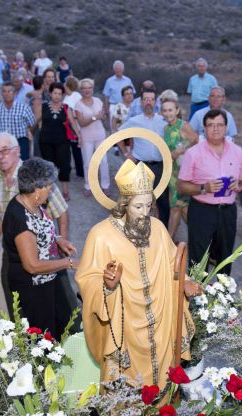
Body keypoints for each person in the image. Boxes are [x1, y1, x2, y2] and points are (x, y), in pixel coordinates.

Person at [76, 158, 200, 391]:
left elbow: (174, 262)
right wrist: (107, 286)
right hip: (124, 326)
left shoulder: (159, 229)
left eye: (148, 206)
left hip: (160, 323)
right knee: (127, 393)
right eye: (137, 207)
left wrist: (186, 282)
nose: (145, 214)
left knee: (162, 383)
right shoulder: (101, 235)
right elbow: (86, 278)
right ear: (123, 204)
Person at [0, 133, 70, 319]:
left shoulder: (36, 176)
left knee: (62, 309)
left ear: (17, 150)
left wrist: (61, 239)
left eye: (5, 150)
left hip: (46, 253)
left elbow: (61, 211)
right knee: (19, 310)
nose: (1, 156)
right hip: (15, 256)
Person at [2, 158, 78, 334]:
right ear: (36, 190)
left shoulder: (32, 203)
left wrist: (58, 238)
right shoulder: (20, 219)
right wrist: (70, 263)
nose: (51, 190)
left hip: (48, 278)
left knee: (64, 324)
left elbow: (40, 228)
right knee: (44, 338)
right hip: (33, 289)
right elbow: (32, 265)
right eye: (49, 186)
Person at [177, 109, 242, 275]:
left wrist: (239, 185)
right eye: (210, 125)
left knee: (225, 256)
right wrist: (203, 188)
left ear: (226, 127)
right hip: (202, 211)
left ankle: (222, 296)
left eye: (219, 125)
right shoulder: (193, 153)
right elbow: (181, 185)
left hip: (228, 211)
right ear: (204, 128)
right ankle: (196, 299)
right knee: (198, 257)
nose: (215, 129)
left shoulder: (237, 151)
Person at [119, 88, 170, 226]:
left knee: (163, 202)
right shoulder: (134, 121)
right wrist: (126, 154)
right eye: (145, 99)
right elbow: (118, 136)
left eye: (151, 99)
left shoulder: (163, 121)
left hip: (160, 166)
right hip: (141, 166)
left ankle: (163, 232)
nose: (148, 102)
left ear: (156, 102)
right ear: (141, 102)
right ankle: (140, 232)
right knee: (140, 202)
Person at [160, 96, 198, 238]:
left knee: (176, 207)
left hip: (184, 173)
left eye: (170, 110)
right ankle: (202, 238)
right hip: (172, 172)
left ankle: (168, 241)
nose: (168, 113)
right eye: (165, 110)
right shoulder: (166, 128)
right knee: (180, 207)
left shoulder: (183, 125)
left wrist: (181, 150)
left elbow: (197, 142)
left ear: (177, 111)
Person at [35, 82, 80, 201]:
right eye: (55, 93)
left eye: (59, 94)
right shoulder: (43, 106)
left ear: (63, 95)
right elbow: (36, 120)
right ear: (50, 94)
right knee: (48, 166)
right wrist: (32, 130)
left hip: (62, 141)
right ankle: (48, 192)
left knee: (65, 165)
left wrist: (79, 135)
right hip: (46, 141)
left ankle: (65, 191)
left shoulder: (66, 108)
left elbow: (72, 122)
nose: (57, 96)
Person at [75, 78, 110, 197]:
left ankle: (105, 186)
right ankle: (88, 186)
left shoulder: (98, 101)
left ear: (92, 89)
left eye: (89, 88)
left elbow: (103, 117)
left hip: (100, 135)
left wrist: (103, 116)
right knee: (88, 163)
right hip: (87, 137)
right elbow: (81, 123)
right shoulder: (78, 105)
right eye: (84, 88)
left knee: (103, 162)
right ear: (81, 90)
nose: (87, 90)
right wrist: (95, 117)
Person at [0, 82, 37, 161]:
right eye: (4, 91)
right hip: (4, 143)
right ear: (1, 94)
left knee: (21, 167)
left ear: (14, 93)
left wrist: (29, 132)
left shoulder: (24, 108)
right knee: (6, 166)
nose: (7, 94)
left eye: (9, 91)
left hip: (20, 142)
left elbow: (32, 123)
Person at [63, 76, 84, 179]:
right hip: (73, 126)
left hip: (76, 126)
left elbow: (73, 115)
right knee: (76, 150)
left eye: (65, 83)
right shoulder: (71, 97)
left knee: (78, 150)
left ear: (68, 85)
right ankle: (80, 171)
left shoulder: (72, 97)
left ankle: (82, 171)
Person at [103, 60, 135, 125]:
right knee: (114, 127)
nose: (118, 70)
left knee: (126, 126)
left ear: (123, 69)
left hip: (126, 107)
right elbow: (106, 96)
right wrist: (106, 109)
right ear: (114, 70)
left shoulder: (128, 80)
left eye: (120, 69)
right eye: (116, 69)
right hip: (114, 106)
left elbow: (132, 93)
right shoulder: (109, 81)